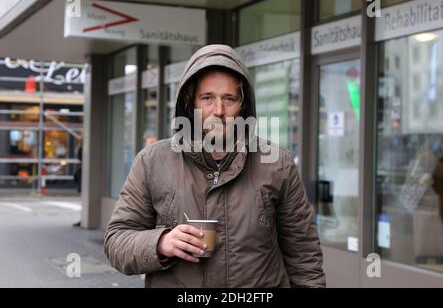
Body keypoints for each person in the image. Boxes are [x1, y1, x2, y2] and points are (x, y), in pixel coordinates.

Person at [104, 45, 326, 288]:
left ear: (243, 104)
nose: (219, 111)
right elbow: (117, 241)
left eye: (229, 98)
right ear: (190, 101)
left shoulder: (276, 162)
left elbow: (304, 254)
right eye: (207, 98)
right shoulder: (153, 161)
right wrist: (160, 243)